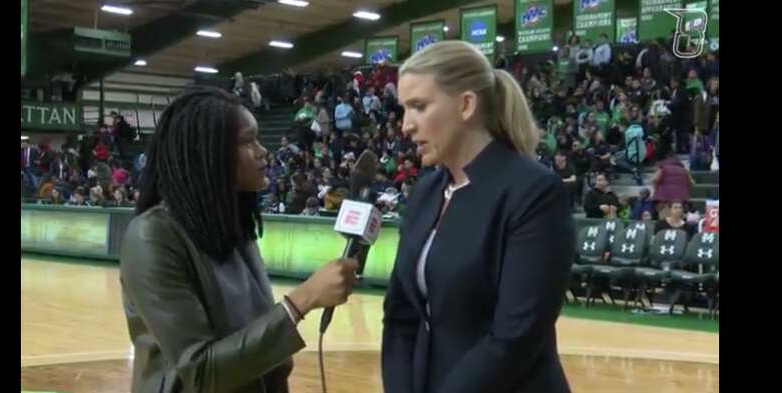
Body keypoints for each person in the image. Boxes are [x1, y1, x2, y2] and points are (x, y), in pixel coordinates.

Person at [120, 87, 359, 393]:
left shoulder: (235, 228)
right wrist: (304, 299)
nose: (263, 151)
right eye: (247, 141)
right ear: (207, 152)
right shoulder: (151, 236)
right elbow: (202, 370)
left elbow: (260, 351)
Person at [382, 40, 575, 393]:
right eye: (404, 109)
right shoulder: (425, 191)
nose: (406, 126)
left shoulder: (535, 192)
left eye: (419, 107)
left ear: (466, 104)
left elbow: (515, 336)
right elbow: (400, 315)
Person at [651, 152, 694, 218]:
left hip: (664, 200)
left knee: (665, 222)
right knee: (678, 222)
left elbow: (654, 180)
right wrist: (686, 191)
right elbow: (692, 183)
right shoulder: (683, 170)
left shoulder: (663, 168)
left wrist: (656, 188)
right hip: (680, 200)